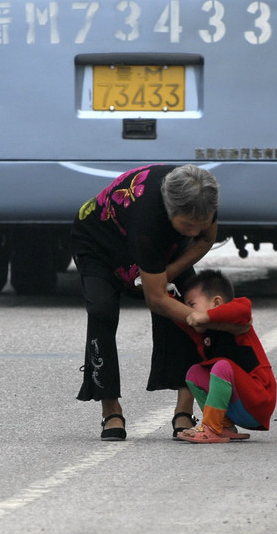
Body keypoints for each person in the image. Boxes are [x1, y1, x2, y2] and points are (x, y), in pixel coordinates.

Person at [71, 164, 220, 441]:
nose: (194, 230)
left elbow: (203, 241)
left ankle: (184, 411)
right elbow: (156, 299)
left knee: (189, 303)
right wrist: (202, 319)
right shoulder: (148, 218)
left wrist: (167, 277)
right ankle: (111, 410)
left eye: (201, 222)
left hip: (160, 247)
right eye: (187, 225)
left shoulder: (202, 199)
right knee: (102, 312)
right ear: (170, 211)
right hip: (100, 243)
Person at [177, 269, 276, 443]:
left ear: (216, 302)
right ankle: (223, 425)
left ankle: (211, 428)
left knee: (222, 366)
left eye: (192, 305)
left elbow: (243, 307)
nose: (189, 312)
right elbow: (172, 313)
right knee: (194, 373)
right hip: (237, 406)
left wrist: (205, 316)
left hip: (259, 401)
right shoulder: (204, 333)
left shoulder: (237, 319)